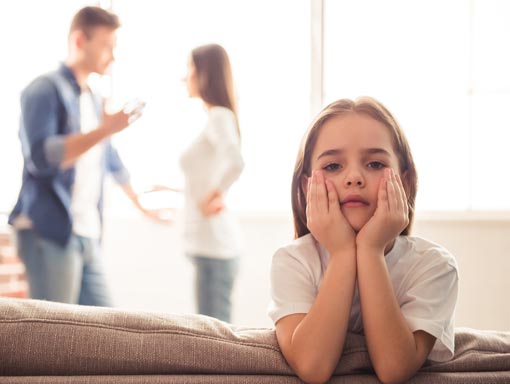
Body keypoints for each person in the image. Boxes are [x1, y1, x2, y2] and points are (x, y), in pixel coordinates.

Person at [268, 97, 459, 384]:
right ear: (308, 187)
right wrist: (344, 252)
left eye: (375, 163)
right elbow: (312, 366)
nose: (354, 177)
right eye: (333, 166)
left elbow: (394, 369)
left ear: (404, 183)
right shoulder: (292, 261)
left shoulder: (433, 265)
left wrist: (370, 250)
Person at [8, 6, 161, 306]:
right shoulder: (43, 89)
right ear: (80, 40)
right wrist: (103, 131)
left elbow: (108, 158)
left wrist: (141, 206)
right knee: (54, 335)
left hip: (87, 231)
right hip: (49, 230)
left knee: (107, 329)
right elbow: (42, 158)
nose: (113, 56)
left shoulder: (91, 96)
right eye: (106, 46)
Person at [180, 43, 244, 322]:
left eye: (190, 68)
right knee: (210, 333)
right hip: (207, 247)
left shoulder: (219, 116)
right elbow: (209, 174)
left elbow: (236, 162)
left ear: (205, 73)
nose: (185, 76)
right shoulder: (214, 118)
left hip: (214, 249)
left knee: (213, 339)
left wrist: (215, 195)